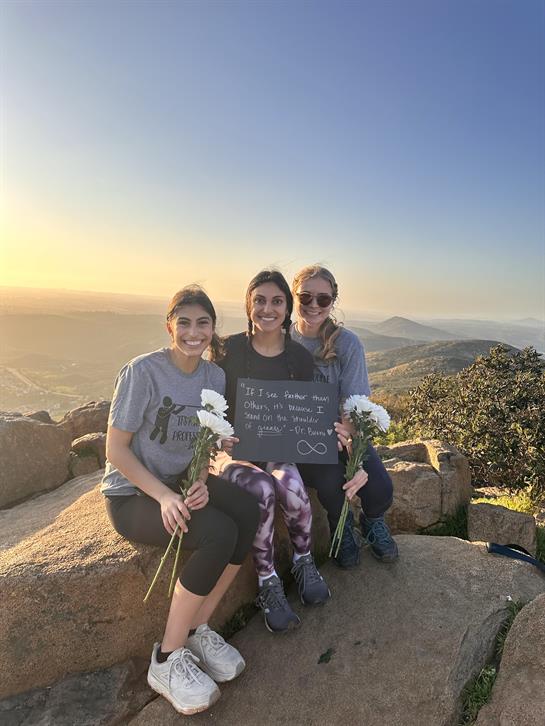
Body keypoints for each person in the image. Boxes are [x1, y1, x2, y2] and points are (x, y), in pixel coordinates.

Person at [101, 285, 260, 716]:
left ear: (213, 328)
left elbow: (202, 444)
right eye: (184, 322)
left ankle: (198, 628)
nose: (194, 332)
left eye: (203, 323)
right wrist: (167, 495)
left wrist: (202, 479)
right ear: (170, 325)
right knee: (217, 533)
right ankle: (168, 658)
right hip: (134, 493)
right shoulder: (143, 372)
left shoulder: (214, 377)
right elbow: (115, 452)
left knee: (249, 510)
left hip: (180, 482)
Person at [213, 269, 331, 633]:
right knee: (262, 490)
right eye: (260, 300)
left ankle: (303, 560)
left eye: (277, 301)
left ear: (287, 306)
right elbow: (209, 405)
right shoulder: (227, 350)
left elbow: (303, 411)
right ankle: (268, 582)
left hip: (277, 450)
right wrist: (218, 440)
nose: (268, 308)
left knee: (293, 488)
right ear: (249, 304)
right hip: (231, 454)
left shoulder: (298, 359)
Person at [291, 264, 398, 568]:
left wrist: (354, 457)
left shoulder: (347, 344)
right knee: (329, 484)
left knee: (379, 487)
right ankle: (342, 530)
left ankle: (372, 521)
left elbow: (354, 404)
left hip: (343, 433)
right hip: (302, 440)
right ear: (294, 296)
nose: (313, 305)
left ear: (333, 301)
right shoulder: (282, 340)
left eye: (323, 300)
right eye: (305, 297)